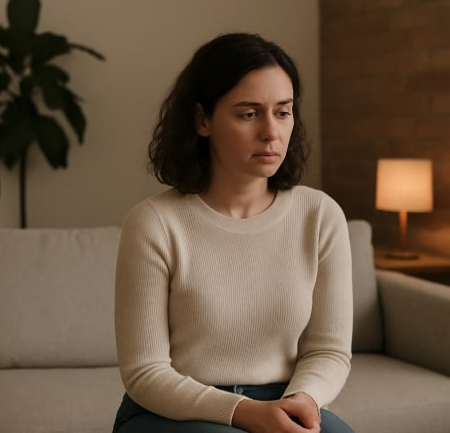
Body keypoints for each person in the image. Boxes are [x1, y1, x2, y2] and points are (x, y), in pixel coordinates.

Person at [113, 33, 354, 433]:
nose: (271, 132)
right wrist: (246, 412)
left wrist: (303, 401)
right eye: (249, 114)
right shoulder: (154, 223)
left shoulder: (320, 215)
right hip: (172, 412)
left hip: (284, 400)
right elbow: (145, 372)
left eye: (283, 112)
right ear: (202, 120)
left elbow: (328, 350)